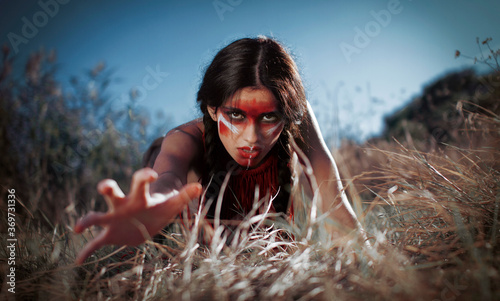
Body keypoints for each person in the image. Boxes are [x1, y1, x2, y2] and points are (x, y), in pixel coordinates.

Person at [74, 36, 360, 265]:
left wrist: (368, 257)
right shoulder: (183, 139)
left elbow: (335, 205)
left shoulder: (294, 115)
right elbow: (168, 179)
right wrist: (152, 206)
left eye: (269, 118)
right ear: (212, 108)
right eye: (236, 116)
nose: (251, 138)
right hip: (202, 242)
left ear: (286, 116)